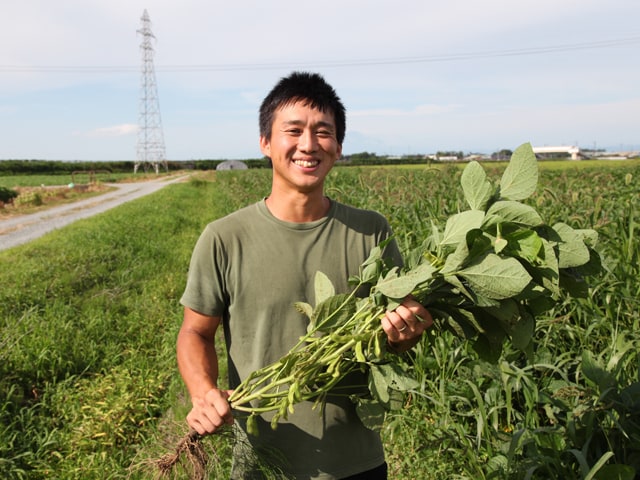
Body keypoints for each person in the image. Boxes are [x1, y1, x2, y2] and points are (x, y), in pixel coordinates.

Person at [177, 71, 432, 479]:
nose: (309, 145)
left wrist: (406, 333)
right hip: (260, 462)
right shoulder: (224, 238)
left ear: (339, 146)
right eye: (292, 130)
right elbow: (195, 332)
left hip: (356, 462)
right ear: (265, 142)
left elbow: (393, 336)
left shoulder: (371, 231)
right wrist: (203, 392)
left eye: (323, 132)